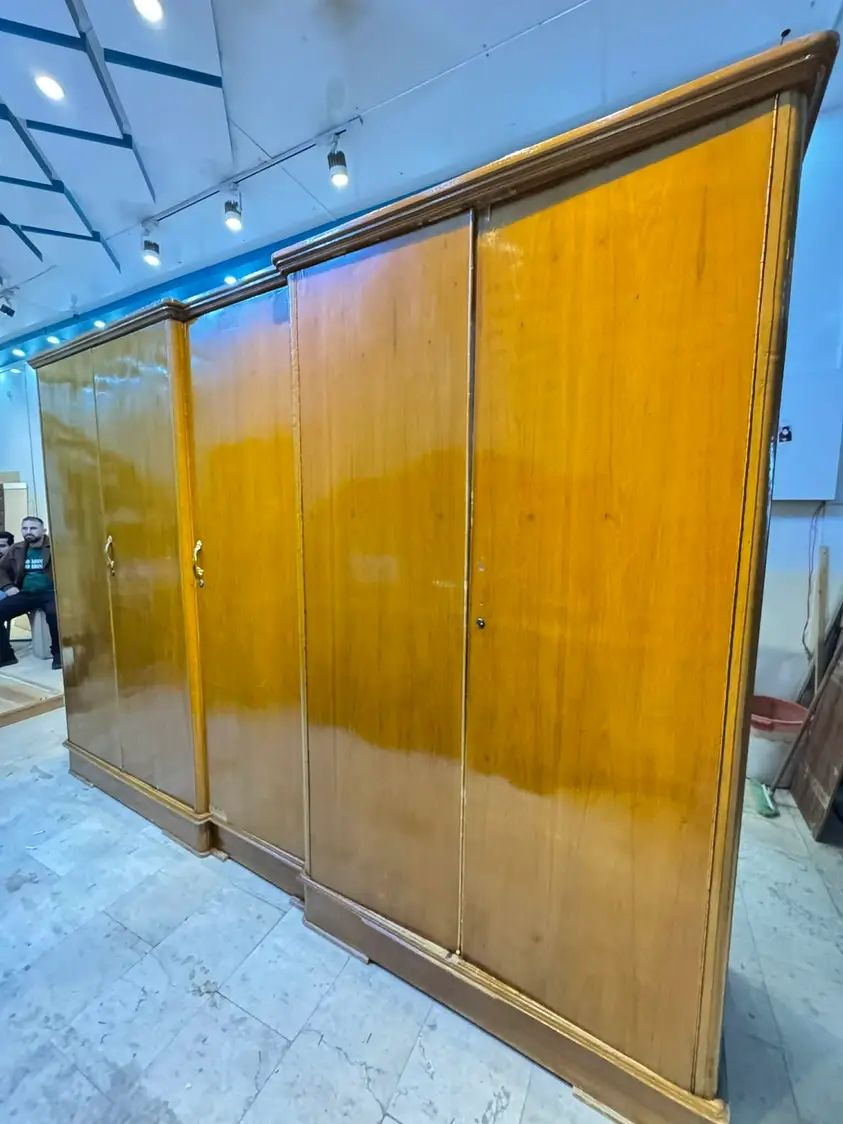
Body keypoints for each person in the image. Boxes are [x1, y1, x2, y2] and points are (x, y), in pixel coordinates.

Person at [0, 516, 61, 670]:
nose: (28, 532)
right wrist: (7, 586)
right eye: (24, 528)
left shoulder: (55, 546)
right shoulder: (17, 548)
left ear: (43, 530)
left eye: (33, 528)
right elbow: (1, 568)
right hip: (26, 593)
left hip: (51, 592)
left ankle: (58, 655)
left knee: (54, 614)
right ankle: (6, 656)